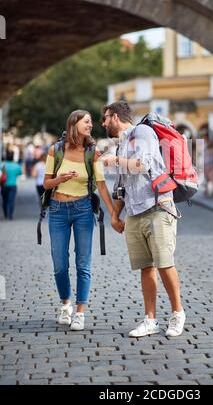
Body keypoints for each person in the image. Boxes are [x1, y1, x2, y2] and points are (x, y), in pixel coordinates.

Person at [101, 101, 186, 338]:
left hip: (157, 206)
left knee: (164, 262)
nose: (103, 123)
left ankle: (178, 313)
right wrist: (115, 215)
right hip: (135, 212)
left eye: (105, 118)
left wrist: (114, 161)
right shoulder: (121, 145)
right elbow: (121, 186)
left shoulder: (143, 132)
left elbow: (143, 165)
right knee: (145, 266)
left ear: (115, 117)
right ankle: (150, 319)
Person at [43, 110, 113, 331]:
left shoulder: (93, 152)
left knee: (83, 264)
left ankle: (80, 312)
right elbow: (45, 184)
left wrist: (113, 214)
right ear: (74, 124)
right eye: (87, 121)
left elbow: (101, 184)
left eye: (91, 122)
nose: (91, 125)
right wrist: (59, 179)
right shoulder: (56, 150)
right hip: (57, 209)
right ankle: (66, 304)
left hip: (83, 209)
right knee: (59, 265)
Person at [1, 150, 23, 220]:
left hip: (3, 185)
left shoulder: (2, 164)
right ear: (13, 158)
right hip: (13, 185)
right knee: (11, 201)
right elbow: (20, 173)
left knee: (4, 200)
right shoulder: (16, 165)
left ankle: (5, 214)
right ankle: (10, 215)